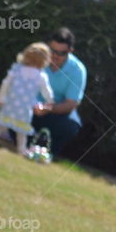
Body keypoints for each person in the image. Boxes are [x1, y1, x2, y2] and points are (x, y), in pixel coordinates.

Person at [0, 42, 53, 156]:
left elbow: (5, 83)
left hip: (10, 104)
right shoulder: (41, 76)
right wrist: (50, 101)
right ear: (44, 60)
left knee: (1, 125)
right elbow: (47, 91)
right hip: (25, 108)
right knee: (21, 131)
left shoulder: (16, 69)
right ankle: (21, 149)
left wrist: (1, 98)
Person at [32, 27, 87, 156]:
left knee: (70, 126)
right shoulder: (37, 59)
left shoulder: (78, 70)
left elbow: (71, 104)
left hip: (58, 113)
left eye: (61, 53)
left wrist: (49, 109)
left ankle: (49, 153)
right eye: (52, 51)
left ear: (70, 51)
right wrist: (32, 105)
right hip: (31, 107)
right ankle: (24, 144)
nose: (55, 56)